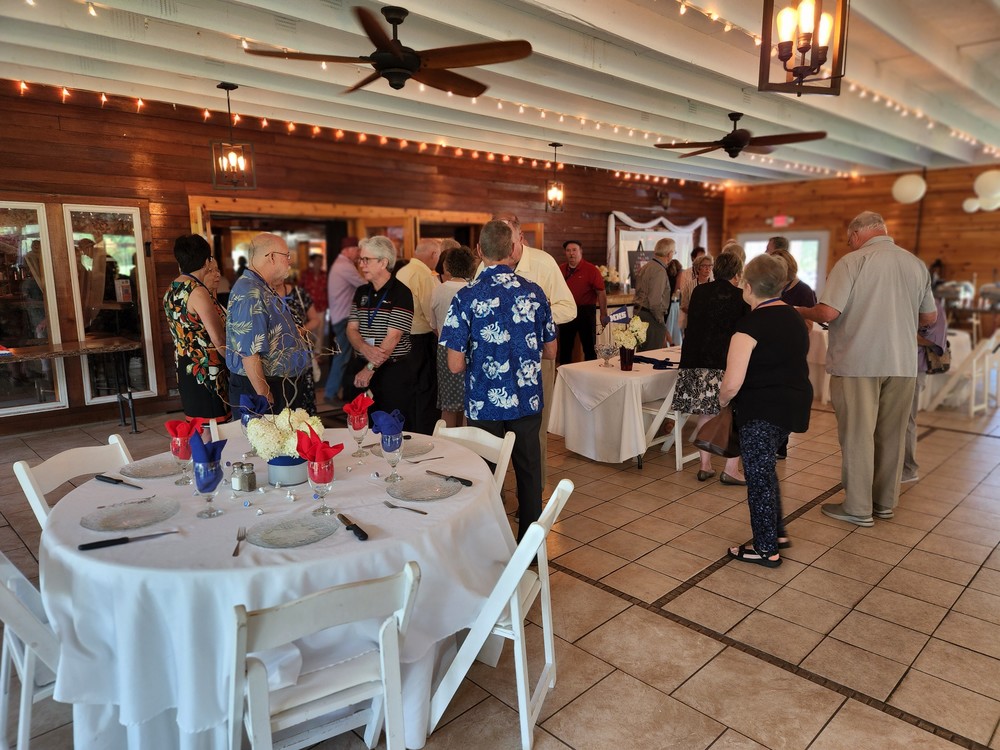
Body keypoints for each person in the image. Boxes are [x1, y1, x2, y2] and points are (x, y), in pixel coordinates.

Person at [799, 211, 936, 526]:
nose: (850, 244)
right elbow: (929, 317)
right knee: (892, 435)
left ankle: (858, 507)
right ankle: (884, 503)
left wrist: (799, 310)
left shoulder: (852, 262)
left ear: (857, 233)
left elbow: (828, 312)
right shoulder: (915, 264)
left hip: (858, 361)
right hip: (902, 362)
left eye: (850, 239)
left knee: (858, 434)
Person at [441, 220, 557, 540]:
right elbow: (551, 352)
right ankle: (529, 545)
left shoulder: (466, 297)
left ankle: (488, 541)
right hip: (527, 397)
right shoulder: (534, 292)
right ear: (513, 250)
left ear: (479, 251)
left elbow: (454, 365)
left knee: (485, 473)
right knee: (529, 471)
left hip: (485, 398)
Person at [718, 255, 812, 567]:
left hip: (762, 410)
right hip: (793, 404)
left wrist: (721, 401)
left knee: (758, 479)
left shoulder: (750, 325)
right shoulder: (794, 316)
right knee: (766, 470)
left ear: (747, 287)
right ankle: (777, 533)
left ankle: (765, 549)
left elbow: (732, 383)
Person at [491, 212, 575, 481]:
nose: (505, 247)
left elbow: (568, 307)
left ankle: (533, 493)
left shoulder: (543, 262)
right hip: (497, 360)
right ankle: (495, 493)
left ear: (521, 237)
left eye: (509, 240)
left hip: (536, 357)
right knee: (494, 431)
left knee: (534, 429)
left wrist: (534, 319)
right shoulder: (487, 264)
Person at [671, 251, 749, 484]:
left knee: (706, 412)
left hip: (695, 359)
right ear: (737, 273)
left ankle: (705, 466)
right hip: (724, 361)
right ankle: (731, 470)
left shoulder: (700, 292)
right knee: (734, 414)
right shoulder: (741, 297)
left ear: (715, 270)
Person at [225, 233, 312, 411]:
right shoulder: (251, 292)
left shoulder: (260, 286)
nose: (289, 261)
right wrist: (265, 394)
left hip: (277, 384)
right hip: (265, 388)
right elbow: (249, 353)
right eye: (287, 256)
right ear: (271, 257)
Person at [344, 236, 416, 422]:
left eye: (366, 260)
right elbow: (351, 329)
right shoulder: (361, 291)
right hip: (361, 366)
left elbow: (393, 337)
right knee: (360, 424)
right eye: (360, 259)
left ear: (383, 262)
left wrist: (369, 368)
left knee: (390, 425)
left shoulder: (401, 293)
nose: (361, 265)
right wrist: (364, 348)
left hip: (392, 372)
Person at [163, 234, 230, 420]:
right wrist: (238, 365)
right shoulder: (197, 291)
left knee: (198, 425)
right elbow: (218, 338)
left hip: (184, 365)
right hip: (206, 370)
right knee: (213, 427)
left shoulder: (171, 289)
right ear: (207, 261)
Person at [396, 238, 443, 434]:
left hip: (400, 338)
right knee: (425, 390)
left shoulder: (403, 271)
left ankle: (405, 430)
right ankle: (423, 433)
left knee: (406, 388)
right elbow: (430, 313)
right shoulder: (423, 274)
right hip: (419, 341)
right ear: (433, 254)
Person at [902, 296, 948, 483]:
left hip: (913, 368)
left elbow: (935, 340)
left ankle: (908, 469)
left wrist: (903, 333)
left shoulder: (931, 303)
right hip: (891, 365)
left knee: (906, 420)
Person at [431, 246, 476, 428]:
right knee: (468, 403)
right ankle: (466, 442)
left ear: (447, 266)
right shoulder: (474, 289)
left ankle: (446, 441)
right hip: (470, 348)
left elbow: (433, 325)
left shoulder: (438, 290)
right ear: (472, 267)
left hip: (444, 349)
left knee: (448, 404)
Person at [322, 237, 365, 407]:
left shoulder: (340, 264)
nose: (359, 253)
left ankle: (338, 392)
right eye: (357, 250)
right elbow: (363, 285)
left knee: (344, 356)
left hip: (340, 316)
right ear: (348, 250)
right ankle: (331, 393)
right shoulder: (344, 265)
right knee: (342, 356)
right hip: (344, 318)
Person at [276, 270, 324, 415]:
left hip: (301, 353)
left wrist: (300, 332)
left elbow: (315, 319)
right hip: (277, 358)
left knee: (304, 395)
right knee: (283, 400)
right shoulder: (264, 296)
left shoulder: (299, 293)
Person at [558, 239, 608, 363]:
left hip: (586, 312)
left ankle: (591, 373)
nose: (571, 253)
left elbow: (601, 292)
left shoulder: (591, 270)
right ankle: (564, 373)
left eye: (574, 250)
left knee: (589, 347)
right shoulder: (561, 269)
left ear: (581, 251)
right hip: (566, 311)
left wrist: (603, 314)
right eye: (568, 251)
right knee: (565, 348)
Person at [632, 238, 675, 351]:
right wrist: (660, 321)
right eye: (674, 252)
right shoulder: (659, 270)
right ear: (669, 254)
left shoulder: (647, 266)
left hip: (640, 313)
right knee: (651, 354)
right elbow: (655, 301)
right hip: (651, 317)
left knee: (643, 353)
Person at [680, 253, 714, 331]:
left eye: (710, 266)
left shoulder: (715, 285)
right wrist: (695, 312)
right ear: (698, 268)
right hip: (693, 322)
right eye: (704, 266)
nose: (708, 268)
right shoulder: (690, 285)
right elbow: (684, 305)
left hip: (710, 323)